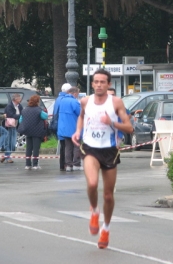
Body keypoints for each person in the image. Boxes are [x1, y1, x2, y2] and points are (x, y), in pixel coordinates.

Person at [72, 69, 133, 249]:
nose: (99, 85)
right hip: (90, 147)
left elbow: (129, 128)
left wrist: (112, 123)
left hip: (109, 150)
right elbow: (81, 116)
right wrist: (77, 131)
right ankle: (94, 211)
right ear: (92, 84)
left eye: (102, 82)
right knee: (92, 184)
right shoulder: (85, 101)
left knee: (108, 195)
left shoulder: (116, 102)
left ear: (108, 84)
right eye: (96, 82)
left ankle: (105, 228)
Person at [18, 95, 48, 170]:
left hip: (27, 131)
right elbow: (45, 116)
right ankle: (35, 164)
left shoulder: (24, 110)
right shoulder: (39, 110)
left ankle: (27, 164)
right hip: (37, 131)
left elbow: (20, 120)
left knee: (28, 148)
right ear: (37, 102)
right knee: (36, 148)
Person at [58, 87, 82, 172]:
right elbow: (80, 113)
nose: (77, 96)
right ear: (74, 93)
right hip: (73, 127)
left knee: (67, 147)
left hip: (63, 128)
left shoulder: (62, 101)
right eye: (77, 94)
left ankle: (68, 165)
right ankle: (76, 164)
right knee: (76, 146)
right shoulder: (74, 101)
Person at [54, 83, 72, 171]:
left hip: (59, 126)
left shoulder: (58, 99)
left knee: (62, 146)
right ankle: (66, 164)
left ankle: (62, 165)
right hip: (64, 126)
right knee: (67, 146)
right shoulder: (65, 100)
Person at [3, 93, 23, 163]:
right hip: (10, 126)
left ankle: (6, 156)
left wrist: (19, 116)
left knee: (13, 143)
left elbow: (22, 113)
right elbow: (10, 115)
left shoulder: (19, 106)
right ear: (15, 99)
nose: (20, 99)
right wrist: (19, 116)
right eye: (19, 98)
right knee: (10, 142)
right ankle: (7, 157)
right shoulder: (9, 106)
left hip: (16, 125)